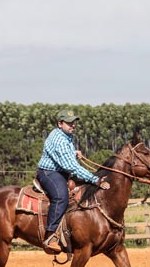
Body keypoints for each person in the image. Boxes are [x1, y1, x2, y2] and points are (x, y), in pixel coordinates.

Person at [36, 108, 110, 253]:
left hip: (60, 171)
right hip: (49, 173)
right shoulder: (59, 140)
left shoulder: (65, 135)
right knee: (61, 197)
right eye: (69, 123)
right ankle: (50, 236)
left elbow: (66, 159)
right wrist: (95, 180)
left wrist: (73, 153)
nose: (73, 125)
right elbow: (71, 167)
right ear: (60, 123)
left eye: (74, 122)